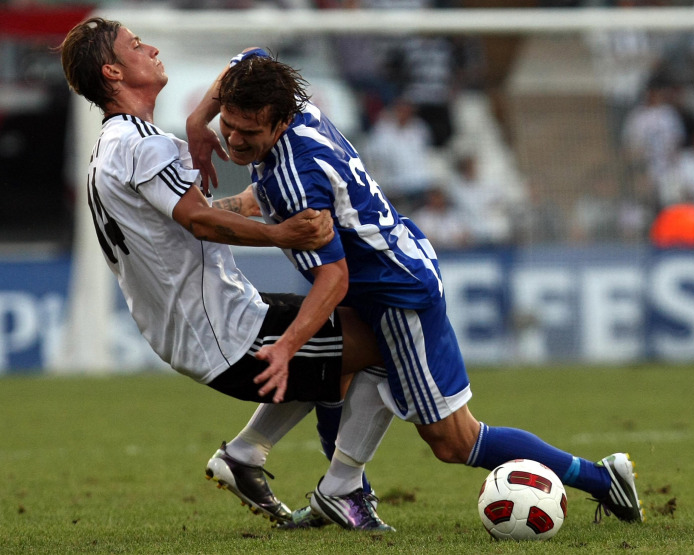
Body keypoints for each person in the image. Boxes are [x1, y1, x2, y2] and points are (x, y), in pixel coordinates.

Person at [186, 50, 646, 529]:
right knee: (332, 371)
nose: (234, 139)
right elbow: (251, 59)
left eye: (248, 132)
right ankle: (316, 481)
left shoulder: (297, 179)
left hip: (394, 294)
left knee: (455, 441)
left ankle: (600, 477)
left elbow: (333, 276)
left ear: (279, 122)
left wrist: (285, 348)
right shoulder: (294, 109)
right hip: (382, 275)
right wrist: (199, 119)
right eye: (228, 124)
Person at [58, 17, 392, 528]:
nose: (150, 47)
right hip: (225, 334)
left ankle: (246, 453)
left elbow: (197, 214)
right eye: (135, 45)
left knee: (340, 337)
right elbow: (200, 221)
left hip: (206, 327)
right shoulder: (141, 143)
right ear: (113, 72)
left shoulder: (116, 144)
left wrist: (199, 124)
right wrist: (285, 234)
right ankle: (340, 488)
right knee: (386, 343)